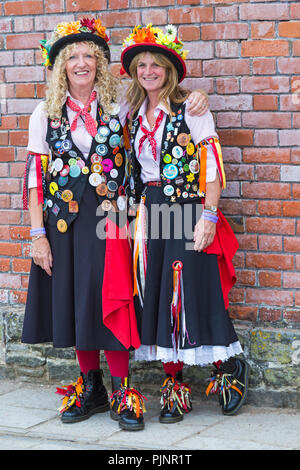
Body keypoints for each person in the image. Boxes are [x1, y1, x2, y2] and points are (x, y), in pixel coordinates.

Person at [22, 18, 209, 432]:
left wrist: (195, 97)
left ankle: (124, 389)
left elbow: (160, 97)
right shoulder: (44, 112)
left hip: (111, 219)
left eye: (90, 55)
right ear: (60, 66)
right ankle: (91, 387)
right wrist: (37, 235)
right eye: (73, 57)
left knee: (113, 298)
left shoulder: (118, 106)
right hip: (63, 223)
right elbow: (35, 178)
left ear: (102, 63)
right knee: (74, 300)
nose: (82, 63)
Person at [120, 24, 249, 423]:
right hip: (149, 212)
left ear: (169, 69)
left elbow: (211, 163)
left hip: (188, 209)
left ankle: (226, 370)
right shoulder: (131, 113)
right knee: (156, 293)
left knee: (194, 288)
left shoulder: (190, 107)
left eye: (155, 64)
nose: (148, 71)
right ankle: (174, 383)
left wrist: (209, 214)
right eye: (141, 65)